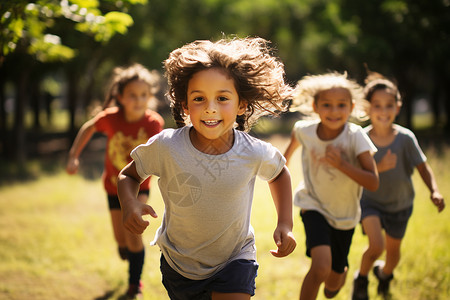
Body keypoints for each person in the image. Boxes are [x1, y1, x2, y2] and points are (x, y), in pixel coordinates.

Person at [117, 37, 297, 300]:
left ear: (241, 105)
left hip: (235, 258)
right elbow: (129, 175)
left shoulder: (252, 151)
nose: (210, 108)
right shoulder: (167, 146)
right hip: (180, 264)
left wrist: (285, 223)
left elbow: (279, 173)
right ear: (185, 105)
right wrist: (129, 203)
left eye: (222, 98)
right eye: (199, 98)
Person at [66, 63, 164, 299]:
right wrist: (73, 156)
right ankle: (126, 249)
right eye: (132, 95)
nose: (138, 100)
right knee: (121, 240)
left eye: (143, 95)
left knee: (133, 234)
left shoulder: (153, 123)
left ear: (150, 97)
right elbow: (88, 128)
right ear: (120, 97)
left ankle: (134, 285)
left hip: (139, 187)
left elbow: (161, 151)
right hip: (112, 186)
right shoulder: (111, 118)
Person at [283, 72, 379, 300]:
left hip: (345, 215)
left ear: (351, 107)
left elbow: (373, 182)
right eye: (327, 105)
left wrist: (342, 164)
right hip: (313, 204)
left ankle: (338, 280)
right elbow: (283, 162)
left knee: (335, 277)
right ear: (315, 107)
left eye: (341, 105)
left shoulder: (356, 136)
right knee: (320, 268)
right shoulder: (303, 131)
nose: (334, 111)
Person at [351, 73, 445, 300]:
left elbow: (423, 168)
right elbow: (357, 175)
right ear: (368, 108)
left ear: (398, 107)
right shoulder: (361, 138)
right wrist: (379, 168)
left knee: (392, 256)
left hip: (400, 205)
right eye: (377, 106)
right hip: (370, 202)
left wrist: (434, 190)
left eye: (389, 105)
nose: (383, 111)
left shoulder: (405, 138)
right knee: (376, 247)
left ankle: (384, 274)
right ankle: (361, 280)